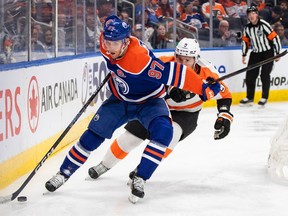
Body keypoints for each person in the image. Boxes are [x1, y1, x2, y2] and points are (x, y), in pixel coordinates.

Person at [45, 15, 221, 203]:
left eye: (115, 43)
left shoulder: (139, 60)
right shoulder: (105, 44)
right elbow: (111, 40)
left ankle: (140, 178)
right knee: (92, 136)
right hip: (120, 100)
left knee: (164, 132)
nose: (110, 47)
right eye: (108, 42)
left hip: (149, 101)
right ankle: (63, 174)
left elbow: (176, 73)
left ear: (126, 42)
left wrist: (204, 88)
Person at [87, 38, 233, 200]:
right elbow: (145, 83)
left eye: (187, 60)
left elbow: (225, 96)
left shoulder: (208, 73)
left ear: (196, 59)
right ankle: (104, 165)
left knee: (171, 136)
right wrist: (166, 91)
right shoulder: (164, 65)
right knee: (130, 138)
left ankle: (142, 171)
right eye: (179, 58)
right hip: (157, 107)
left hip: (187, 114)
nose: (182, 63)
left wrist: (224, 116)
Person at [240, 6, 282, 107]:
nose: (251, 16)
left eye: (253, 14)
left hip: (267, 53)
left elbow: (275, 38)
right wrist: (244, 54)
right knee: (250, 76)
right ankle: (250, 97)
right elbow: (245, 42)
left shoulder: (264, 25)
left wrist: (277, 53)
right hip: (255, 53)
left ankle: (264, 97)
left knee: (264, 75)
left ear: (257, 14)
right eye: (249, 15)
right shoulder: (247, 28)